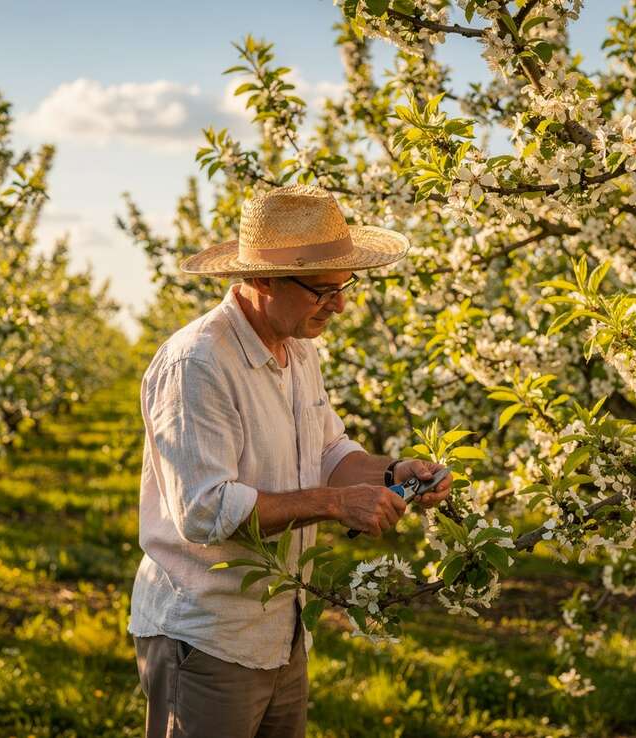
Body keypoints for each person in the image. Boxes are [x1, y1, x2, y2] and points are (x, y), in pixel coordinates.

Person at [129, 184, 452, 738]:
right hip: (208, 635)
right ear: (261, 280)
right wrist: (334, 504)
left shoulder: (299, 349)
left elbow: (329, 451)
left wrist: (395, 472)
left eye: (344, 286)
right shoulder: (199, 363)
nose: (341, 304)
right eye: (321, 290)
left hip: (282, 625)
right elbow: (205, 512)